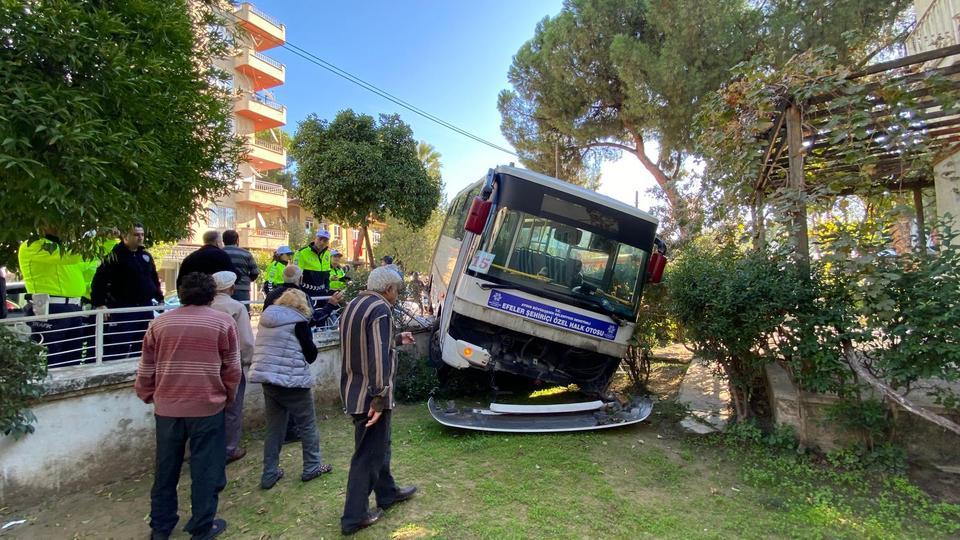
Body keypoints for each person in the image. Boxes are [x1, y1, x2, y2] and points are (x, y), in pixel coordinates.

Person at [135, 272, 240, 540]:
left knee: (166, 469)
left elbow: (146, 367)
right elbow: (232, 369)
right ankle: (202, 526)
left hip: (168, 408)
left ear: (181, 293)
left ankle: (161, 527)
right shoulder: (222, 323)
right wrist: (227, 397)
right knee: (205, 469)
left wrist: (148, 394)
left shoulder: (159, 324)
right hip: (207, 407)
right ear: (211, 294)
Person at [339, 266, 417, 535]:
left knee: (379, 447)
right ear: (388, 289)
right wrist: (379, 398)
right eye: (396, 289)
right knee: (368, 455)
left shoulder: (354, 305)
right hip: (369, 396)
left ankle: (387, 493)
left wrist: (395, 339)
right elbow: (378, 359)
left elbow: (364, 344)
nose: (396, 295)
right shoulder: (381, 309)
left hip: (353, 389)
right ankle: (354, 516)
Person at [248, 288, 334, 490]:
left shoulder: (266, 318)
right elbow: (311, 354)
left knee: (274, 428)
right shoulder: (298, 322)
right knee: (307, 424)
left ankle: (269, 473)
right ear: (301, 304)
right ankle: (312, 466)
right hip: (293, 380)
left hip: (268, 380)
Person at [18, 231, 93, 365]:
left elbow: (85, 261)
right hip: (49, 305)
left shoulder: (60, 246)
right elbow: (69, 257)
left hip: (73, 307)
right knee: (52, 354)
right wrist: (91, 236)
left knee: (73, 356)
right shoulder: (33, 244)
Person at [91, 224, 164, 360]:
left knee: (144, 346)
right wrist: (100, 303)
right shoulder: (114, 256)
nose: (140, 238)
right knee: (119, 346)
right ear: (125, 236)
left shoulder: (146, 256)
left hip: (145, 307)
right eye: (136, 234)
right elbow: (99, 280)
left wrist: (159, 297)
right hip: (123, 308)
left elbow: (153, 278)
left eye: (142, 234)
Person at [210, 271, 256, 464]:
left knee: (210, 408)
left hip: (208, 365)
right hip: (231, 363)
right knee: (232, 407)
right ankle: (229, 448)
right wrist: (249, 361)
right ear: (231, 287)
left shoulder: (205, 305)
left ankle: (208, 446)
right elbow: (246, 340)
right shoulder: (236, 307)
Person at [221, 230, 259, 309]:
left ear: (223, 241)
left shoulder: (219, 253)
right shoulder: (246, 253)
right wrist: (246, 279)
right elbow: (255, 272)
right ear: (237, 240)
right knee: (243, 313)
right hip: (242, 290)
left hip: (222, 290)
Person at [293, 230, 332, 297]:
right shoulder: (301, 253)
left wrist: (327, 288)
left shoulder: (327, 254)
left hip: (322, 293)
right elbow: (296, 276)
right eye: (320, 239)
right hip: (306, 293)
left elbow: (327, 274)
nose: (322, 242)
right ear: (315, 239)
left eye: (325, 240)